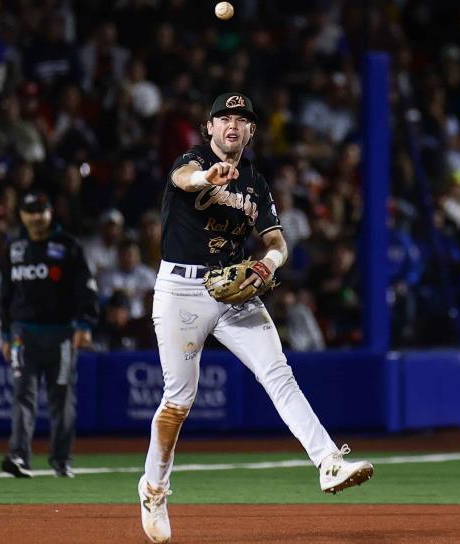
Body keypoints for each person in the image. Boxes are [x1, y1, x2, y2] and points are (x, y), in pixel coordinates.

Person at [137, 93, 373, 543]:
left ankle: (327, 462)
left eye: (241, 119)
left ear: (251, 132)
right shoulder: (193, 159)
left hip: (232, 288)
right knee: (179, 400)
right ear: (209, 128)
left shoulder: (257, 184)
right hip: (182, 290)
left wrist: (269, 264)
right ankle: (154, 489)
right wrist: (208, 175)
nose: (232, 124)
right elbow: (186, 180)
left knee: (278, 374)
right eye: (223, 117)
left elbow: (277, 242)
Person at [0, 192, 99, 479]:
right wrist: (5, 334)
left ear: (50, 213)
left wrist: (84, 324)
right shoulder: (14, 247)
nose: (36, 217)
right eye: (30, 212)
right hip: (22, 333)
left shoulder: (67, 246)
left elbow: (86, 287)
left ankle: (61, 460)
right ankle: (18, 456)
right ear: (21, 215)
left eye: (41, 211)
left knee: (62, 399)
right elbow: (5, 295)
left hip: (63, 334)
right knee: (22, 395)